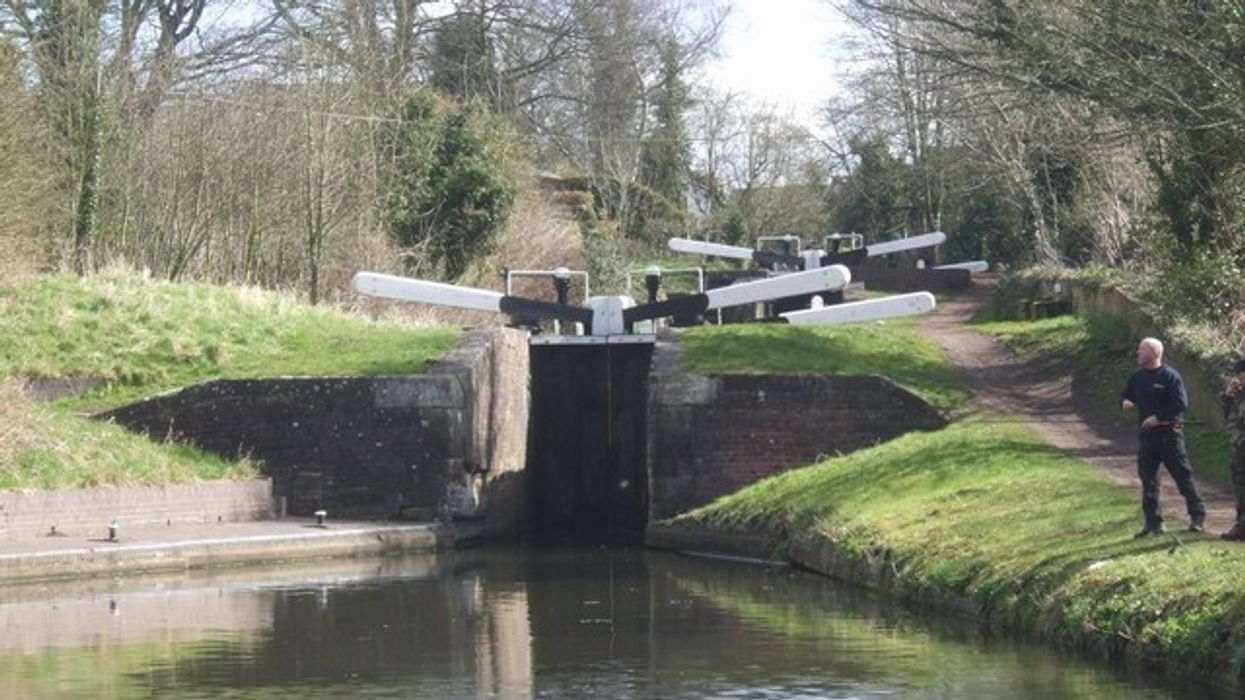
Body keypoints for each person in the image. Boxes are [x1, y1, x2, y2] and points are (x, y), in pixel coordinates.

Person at [1120, 337, 1206, 536]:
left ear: (1154, 353)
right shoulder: (1137, 377)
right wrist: (1125, 401)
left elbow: (1180, 404)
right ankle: (1153, 522)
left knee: (1183, 478)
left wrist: (1158, 417)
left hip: (1169, 435)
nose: (1138, 353)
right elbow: (1126, 394)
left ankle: (1197, 517)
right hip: (1148, 437)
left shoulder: (1170, 376)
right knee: (1148, 480)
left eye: (1142, 350)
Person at [1219, 358, 1245, 541]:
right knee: (1239, 486)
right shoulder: (1238, 394)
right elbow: (1230, 418)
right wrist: (1227, 398)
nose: (1239, 378)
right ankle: (1241, 524)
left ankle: (1241, 526)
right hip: (1239, 447)